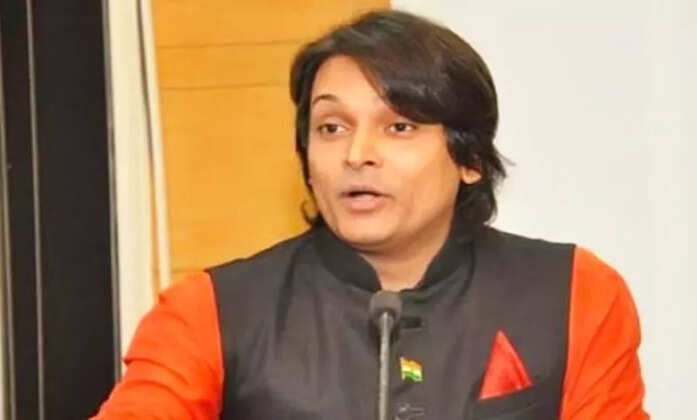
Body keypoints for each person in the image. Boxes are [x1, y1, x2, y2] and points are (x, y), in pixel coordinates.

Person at [92, 9, 648, 420]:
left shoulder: (573, 293)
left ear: (470, 159)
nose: (357, 154)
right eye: (331, 127)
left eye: (399, 127)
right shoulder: (209, 312)